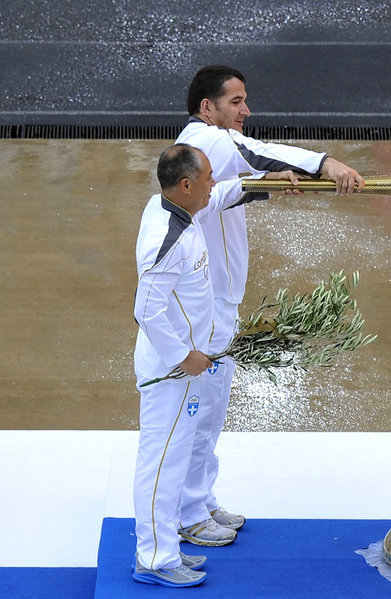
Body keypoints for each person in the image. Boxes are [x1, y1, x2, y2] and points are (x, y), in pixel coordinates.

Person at [173, 65, 366, 546]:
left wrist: (270, 182)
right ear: (207, 108)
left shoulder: (205, 151)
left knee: (210, 411)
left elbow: (231, 192)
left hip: (217, 304)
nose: (246, 110)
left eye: (245, 100)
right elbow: (260, 152)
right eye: (236, 102)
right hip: (203, 310)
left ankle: (199, 498)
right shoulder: (207, 140)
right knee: (198, 411)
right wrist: (325, 164)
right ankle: (187, 512)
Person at [132, 144, 293, 586]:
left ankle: (168, 544)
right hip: (172, 371)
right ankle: (155, 559)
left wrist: (263, 184)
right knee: (161, 462)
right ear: (185, 185)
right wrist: (184, 356)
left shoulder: (180, 208)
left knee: (176, 455)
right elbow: (147, 310)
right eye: (206, 179)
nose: (213, 186)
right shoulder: (165, 237)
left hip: (187, 367)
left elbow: (220, 195)